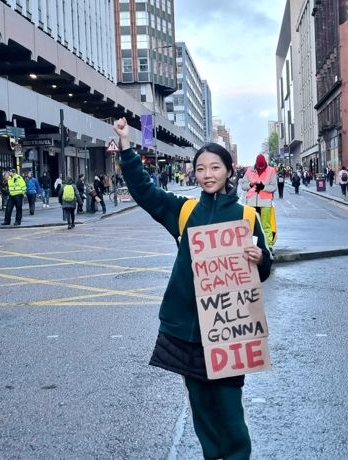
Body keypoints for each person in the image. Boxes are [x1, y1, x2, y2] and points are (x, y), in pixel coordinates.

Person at [112, 117, 271, 460]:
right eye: (201, 168)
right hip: (188, 330)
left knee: (229, 407)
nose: (208, 174)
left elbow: (265, 267)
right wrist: (126, 146)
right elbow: (145, 192)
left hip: (230, 328)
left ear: (229, 171)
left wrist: (260, 257)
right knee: (200, 407)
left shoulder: (247, 217)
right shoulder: (184, 211)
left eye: (215, 167)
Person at [242, 153, 278, 249]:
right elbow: (243, 186)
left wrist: (263, 187)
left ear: (265, 163)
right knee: (251, 226)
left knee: (266, 225)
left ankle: (268, 247)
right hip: (251, 203)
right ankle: (252, 246)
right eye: (259, 166)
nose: (260, 167)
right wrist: (250, 184)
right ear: (256, 163)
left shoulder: (271, 170)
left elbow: (274, 187)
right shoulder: (249, 170)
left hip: (265, 202)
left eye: (262, 166)